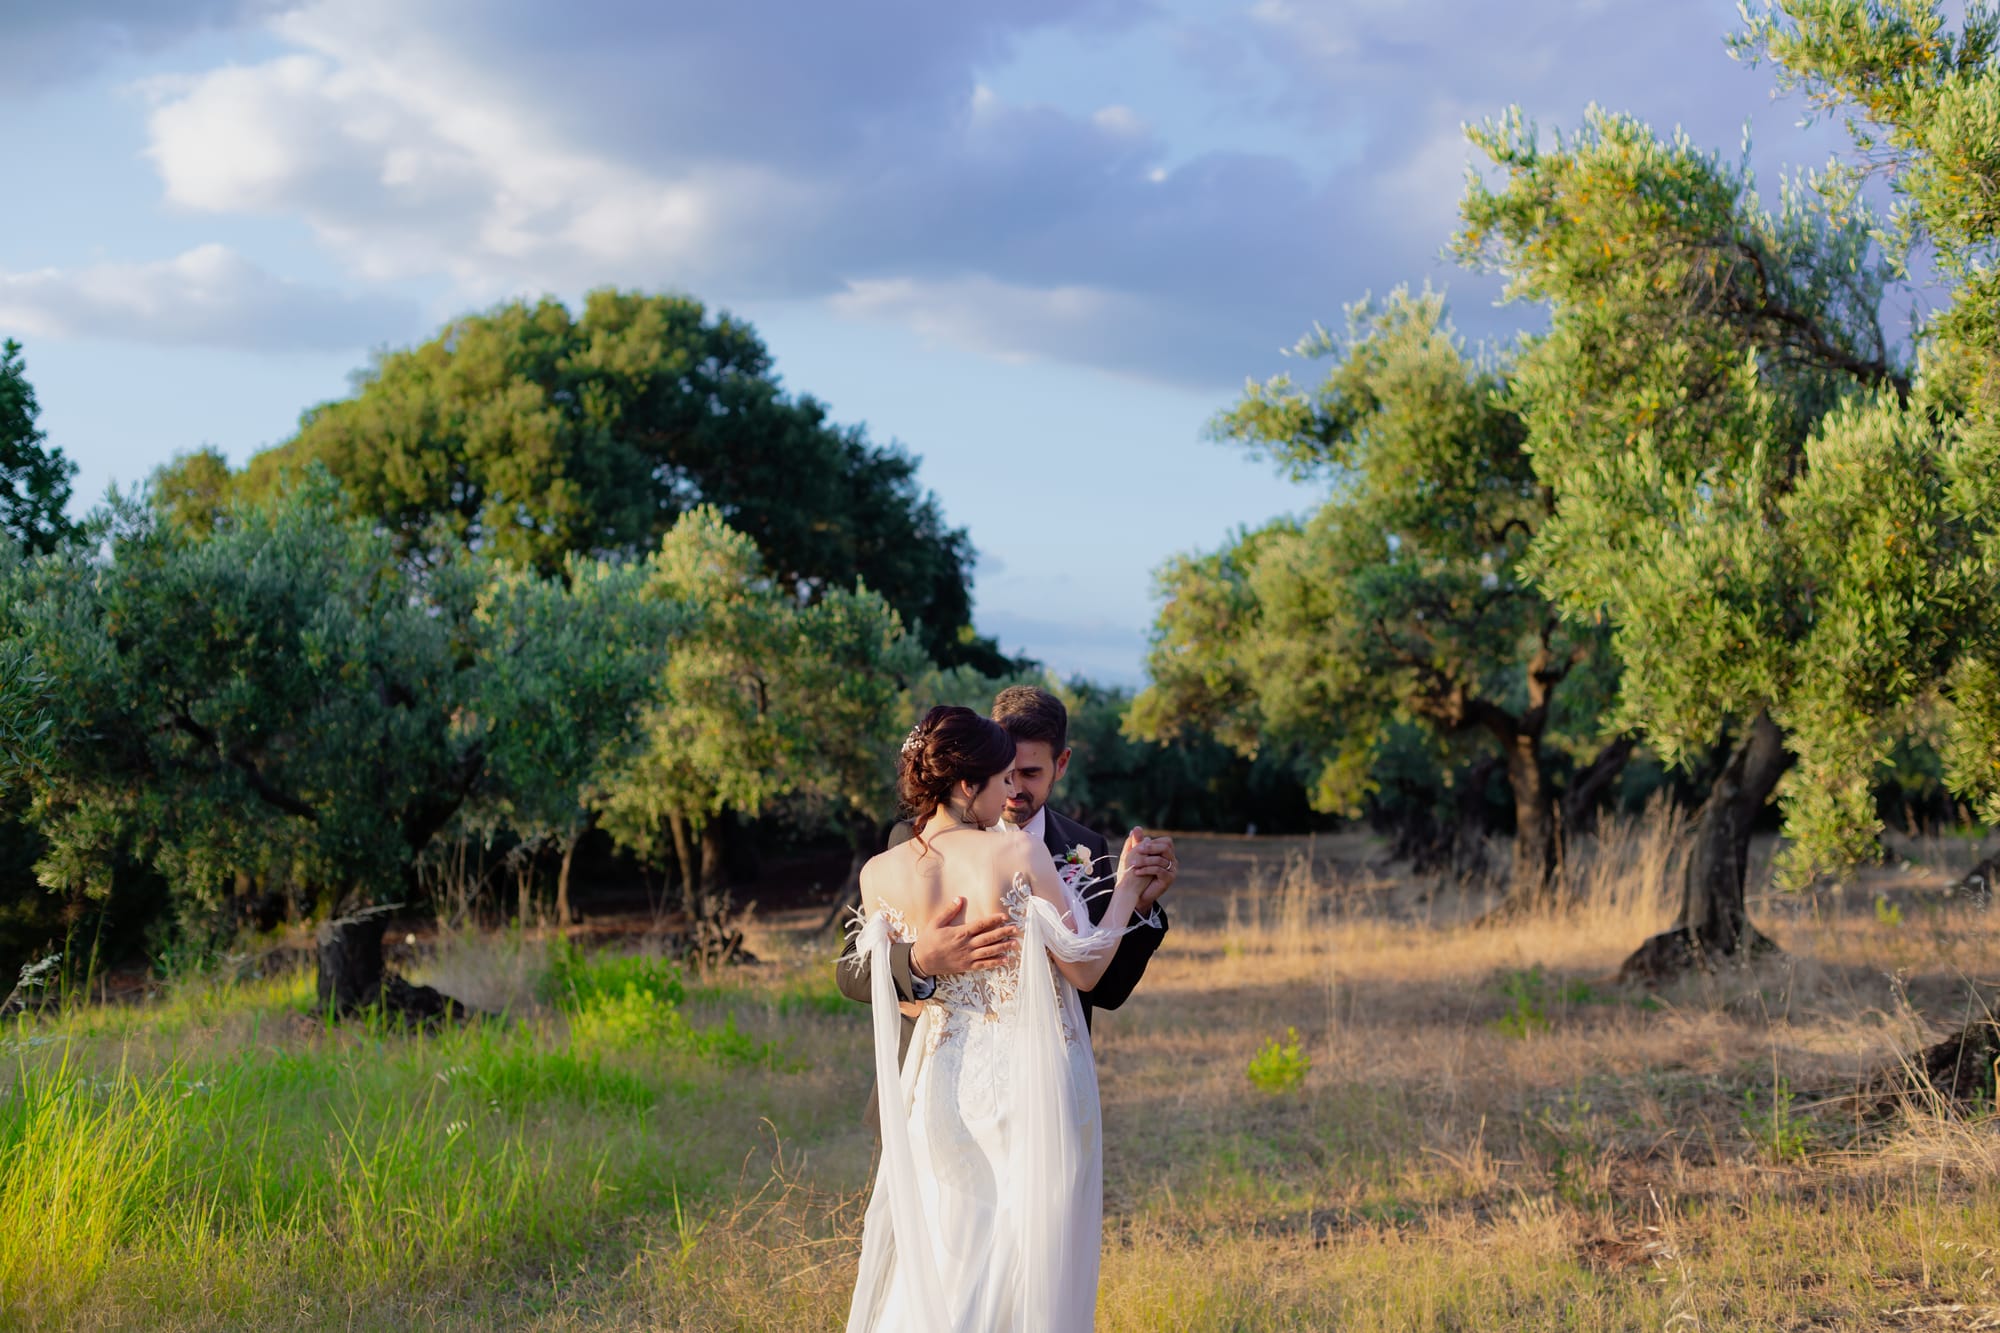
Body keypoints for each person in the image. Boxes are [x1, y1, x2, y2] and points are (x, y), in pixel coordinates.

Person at [841, 705, 1160, 1330]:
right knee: (1028, 1254)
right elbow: (1088, 969)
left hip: (937, 1084)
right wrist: (1125, 890)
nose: (1010, 791)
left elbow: (900, 997)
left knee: (944, 1248)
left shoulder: (879, 873)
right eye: (1000, 778)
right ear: (969, 785)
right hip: (1028, 1080)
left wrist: (928, 969)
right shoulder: (1012, 853)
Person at [835, 686, 1176, 1063]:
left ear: (1061, 764)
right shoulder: (909, 841)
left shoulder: (1086, 846)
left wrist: (1138, 907)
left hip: (1041, 1074)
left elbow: (1105, 991)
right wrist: (918, 961)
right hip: (932, 1072)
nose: (1013, 790)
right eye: (1005, 773)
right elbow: (852, 973)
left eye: (1028, 773)